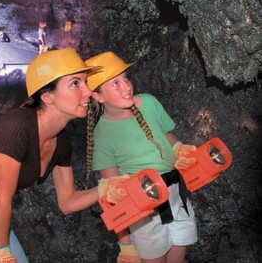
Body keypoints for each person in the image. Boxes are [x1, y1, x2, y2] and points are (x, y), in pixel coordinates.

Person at [0, 48, 128, 263]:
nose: (87, 91)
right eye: (76, 83)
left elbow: (67, 202)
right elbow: (3, 198)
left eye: (85, 82)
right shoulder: (16, 125)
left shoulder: (61, 140)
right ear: (47, 96)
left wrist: (103, 188)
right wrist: (1, 252)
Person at [84, 51, 198, 263]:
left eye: (125, 77)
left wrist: (179, 148)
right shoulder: (102, 133)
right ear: (98, 96)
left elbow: (166, 135)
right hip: (145, 209)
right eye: (115, 83)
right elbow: (113, 190)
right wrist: (125, 244)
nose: (126, 86)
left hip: (176, 194)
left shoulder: (149, 103)